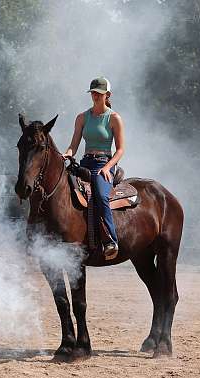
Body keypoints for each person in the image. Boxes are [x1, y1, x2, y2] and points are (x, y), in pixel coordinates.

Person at [63, 77, 125, 260]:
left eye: (99, 93)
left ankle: (110, 241)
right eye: (93, 93)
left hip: (103, 163)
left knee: (100, 194)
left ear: (108, 95)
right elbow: (74, 144)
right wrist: (67, 154)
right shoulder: (82, 117)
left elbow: (120, 149)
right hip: (85, 162)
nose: (95, 96)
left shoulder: (114, 118)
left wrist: (107, 167)